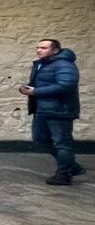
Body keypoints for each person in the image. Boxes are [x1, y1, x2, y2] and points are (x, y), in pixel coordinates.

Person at [19, 39, 84, 185]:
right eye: (38, 47)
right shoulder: (42, 64)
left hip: (60, 110)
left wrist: (36, 91)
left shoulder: (65, 64)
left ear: (55, 50)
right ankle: (71, 166)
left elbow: (66, 86)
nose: (39, 50)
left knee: (62, 144)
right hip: (42, 109)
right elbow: (41, 84)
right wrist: (28, 89)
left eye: (43, 47)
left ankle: (64, 175)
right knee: (40, 138)